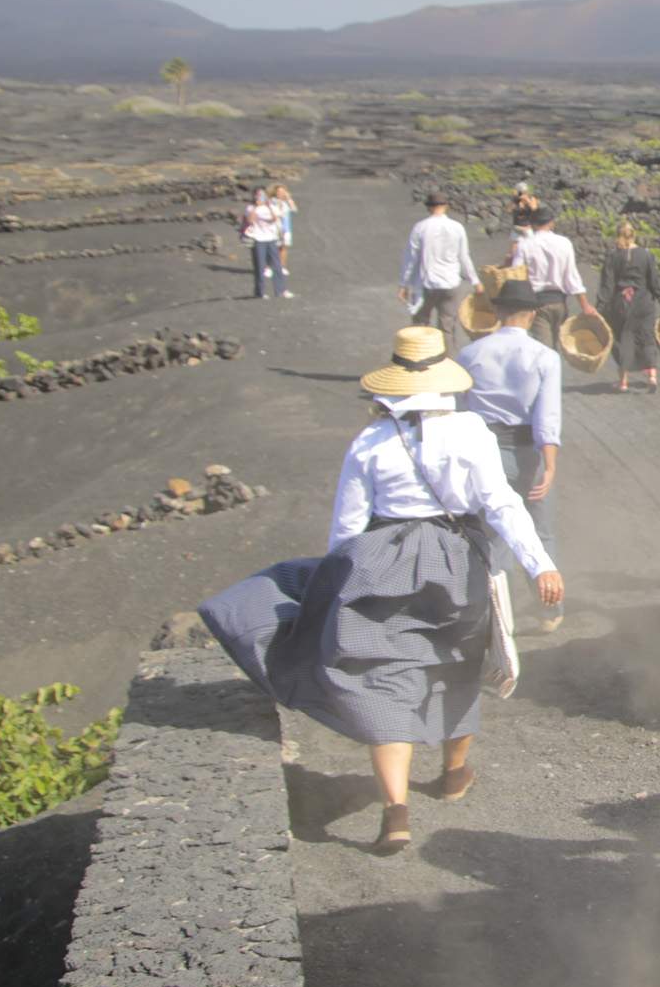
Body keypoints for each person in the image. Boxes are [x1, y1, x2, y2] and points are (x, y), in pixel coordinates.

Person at [198, 326, 563, 854]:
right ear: (444, 381)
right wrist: (541, 565)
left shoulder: (370, 440)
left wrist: (330, 587)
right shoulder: (471, 432)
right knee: (455, 666)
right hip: (456, 561)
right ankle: (453, 775)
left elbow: (346, 528)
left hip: (380, 560)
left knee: (381, 676)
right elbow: (501, 504)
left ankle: (396, 810)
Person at [457, 280, 568, 632]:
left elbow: (460, 409)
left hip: (482, 448)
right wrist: (549, 466)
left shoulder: (470, 354)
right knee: (540, 529)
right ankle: (549, 610)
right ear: (532, 313)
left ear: (498, 312)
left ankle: (493, 613)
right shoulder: (545, 357)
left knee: (493, 532)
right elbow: (547, 417)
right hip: (527, 451)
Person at [509, 207, 595, 350]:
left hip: (536, 304)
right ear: (551, 223)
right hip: (559, 303)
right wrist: (585, 305)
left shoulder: (525, 244)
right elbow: (572, 277)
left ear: (533, 224)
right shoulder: (565, 243)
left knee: (543, 350)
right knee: (553, 348)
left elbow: (515, 273)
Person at [400, 190, 474, 350]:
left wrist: (404, 284)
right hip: (451, 283)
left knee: (420, 326)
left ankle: (420, 364)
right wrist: (475, 280)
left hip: (426, 284)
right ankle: (447, 366)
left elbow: (411, 259)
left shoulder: (420, 228)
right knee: (447, 328)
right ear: (446, 206)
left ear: (428, 207)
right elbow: (464, 256)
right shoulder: (457, 227)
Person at [599, 221, 660, 393]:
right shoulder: (646, 255)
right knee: (647, 336)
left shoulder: (613, 256)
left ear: (617, 235)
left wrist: (599, 307)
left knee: (622, 339)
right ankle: (652, 376)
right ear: (634, 235)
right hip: (644, 302)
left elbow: (607, 285)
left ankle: (623, 382)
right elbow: (655, 282)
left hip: (622, 303)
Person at [241, 186, 290, 300]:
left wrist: (268, 206)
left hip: (271, 238)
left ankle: (281, 290)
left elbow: (274, 218)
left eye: (263, 195)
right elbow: (250, 220)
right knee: (260, 266)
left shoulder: (271, 207)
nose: (260, 197)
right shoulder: (250, 208)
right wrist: (256, 207)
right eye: (258, 195)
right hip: (258, 239)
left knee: (277, 265)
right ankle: (260, 292)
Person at [268, 184, 298, 294]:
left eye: (283, 191)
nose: (281, 193)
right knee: (273, 248)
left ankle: (282, 267)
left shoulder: (287, 202)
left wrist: (289, 198)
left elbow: (294, 209)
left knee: (284, 248)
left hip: (286, 228)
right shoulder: (272, 201)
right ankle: (269, 267)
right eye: (279, 192)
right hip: (274, 228)